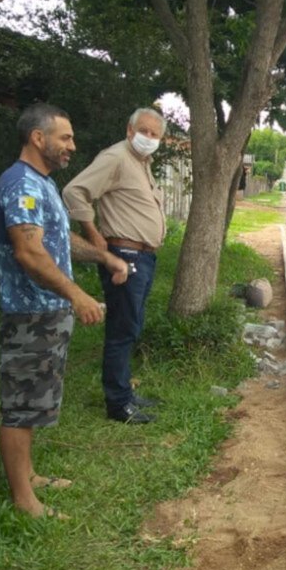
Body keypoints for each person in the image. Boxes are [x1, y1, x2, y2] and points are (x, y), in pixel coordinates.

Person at [0, 103, 129, 518]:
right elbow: (29, 252)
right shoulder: (21, 185)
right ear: (38, 138)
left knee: (34, 401)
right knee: (20, 405)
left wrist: (104, 258)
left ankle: (28, 476)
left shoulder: (41, 183)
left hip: (45, 314)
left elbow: (59, 238)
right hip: (28, 315)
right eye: (65, 137)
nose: (72, 145)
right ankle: (24, 500)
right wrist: (77, 295)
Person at [62, 108, 167, 424]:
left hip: (143, 257)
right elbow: (74, 192)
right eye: (144, 131)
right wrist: (93, 235)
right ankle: (119, 405)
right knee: (122, 330)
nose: (148, 138)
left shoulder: (141, 163)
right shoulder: (116, 157)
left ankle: (125, 393)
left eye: (154, 134)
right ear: (129, 129)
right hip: (124, 256)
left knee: (130, 325)